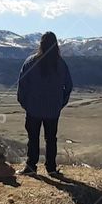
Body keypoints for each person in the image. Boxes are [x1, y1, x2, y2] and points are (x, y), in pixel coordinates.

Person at [16, 31, 73, 178]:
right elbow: (69, 86)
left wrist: (26, 104)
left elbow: (22, 85)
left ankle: (31, 166)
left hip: (33, 109)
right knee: (51, 138)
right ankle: (51, 169)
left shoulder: (30, 62)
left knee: (33, 138)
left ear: (41, 44)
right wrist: (60, 103)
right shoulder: (61, 64)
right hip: (53, 110)